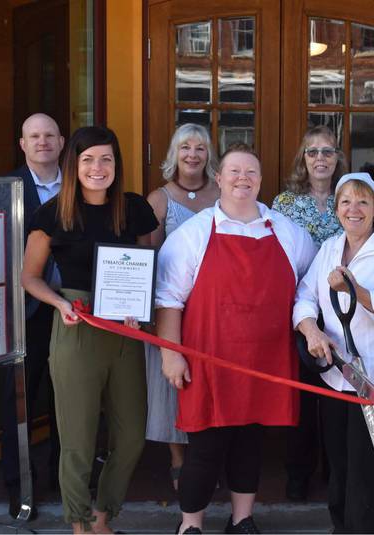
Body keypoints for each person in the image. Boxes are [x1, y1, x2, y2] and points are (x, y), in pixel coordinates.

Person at [156, 143, 317, 534]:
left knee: (250, 444)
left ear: (261, 181)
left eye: (251, 172)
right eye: (234, 172)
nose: (242, 179)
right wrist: (171, 355)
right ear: (219, 178)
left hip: (264, 361)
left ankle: (242, 520)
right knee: (205, 449)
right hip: (207, 359)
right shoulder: (193, 234)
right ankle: (190, 525)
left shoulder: (289, 233)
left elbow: (308, 291)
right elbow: (168, 300)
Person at [21, 126, 159, 533]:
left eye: (106, 159)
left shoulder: (134, 210)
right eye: (87, 160)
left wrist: (139, 305)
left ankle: (104, 515)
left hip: (125, 332)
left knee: (132, 435)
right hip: (76, 326)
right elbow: (30, 277)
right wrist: (61, 302)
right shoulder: (54, 214)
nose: (97, 168)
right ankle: (80, 524)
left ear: (117, 164)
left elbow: (147, 264)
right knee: (77, 441)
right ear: (73, 164)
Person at [294, 172, 374, 534]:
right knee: (339, 463)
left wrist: (356, 290)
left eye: (363, 201)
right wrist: (310, 328)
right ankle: (340, 528)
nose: (354, 209)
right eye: (346, 201)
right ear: (336, 208)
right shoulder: (329, 247)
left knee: (365, 467)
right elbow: (305, 295)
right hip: (335, 374)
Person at [144, 123, 220, 491]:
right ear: (174, 154)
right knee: (172, 387)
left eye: (200, 148)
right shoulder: (158, 199)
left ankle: (208, 459)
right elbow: (148, 257)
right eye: (185, 147)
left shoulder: (224, 194)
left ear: (209, 155)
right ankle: (179, 461)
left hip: (214, 312)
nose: (192, 154)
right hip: (171, 307)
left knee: (209, 385)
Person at [272, 125, 346, 500]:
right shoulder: (284, 204)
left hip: (342, 314)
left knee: (337, 396)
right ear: (303, 158)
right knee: (301, 397)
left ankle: (335, 473)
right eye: (313, 151)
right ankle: (298, 472)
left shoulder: (349, 199)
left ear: (338, 159)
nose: (320, 158)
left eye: (328, 152)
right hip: (296, 312)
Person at [0, 113, 64, 519]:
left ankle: (66, 477)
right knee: (19, 401)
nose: (42, 142)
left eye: (49, 136)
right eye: (33, 136)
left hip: (75, 308)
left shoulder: (82, 181)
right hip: (27, 312)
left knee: (70, 399)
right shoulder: (7, 189)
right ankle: (18, 486)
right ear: (22, 144)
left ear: (61, 142)